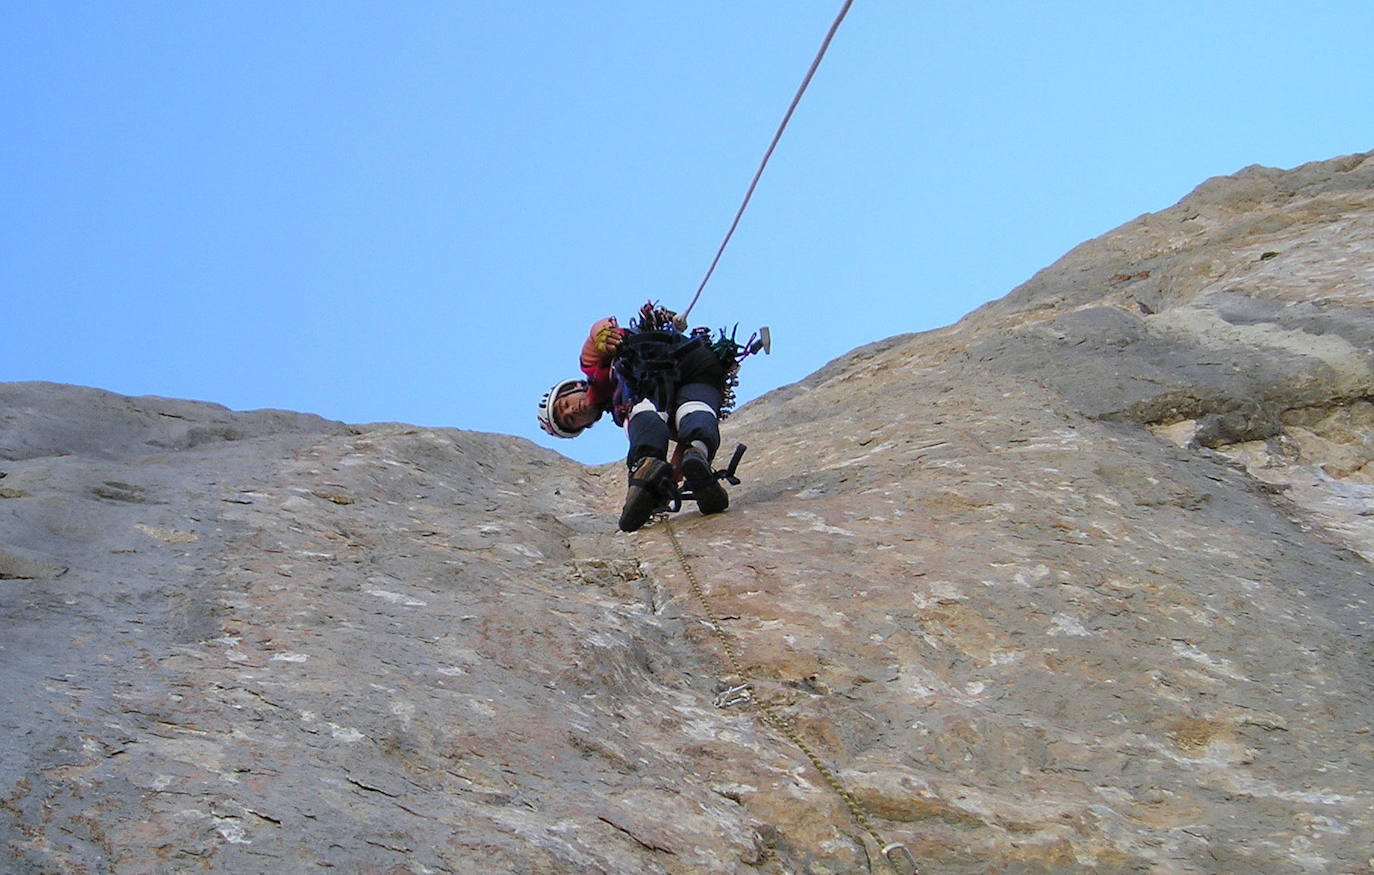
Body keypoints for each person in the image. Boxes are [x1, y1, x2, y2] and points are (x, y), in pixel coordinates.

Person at [538, 302, 734, 533]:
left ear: (572, 388)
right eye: (569, 420)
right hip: (699, 369)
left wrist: (603, 334)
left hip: (654, 367)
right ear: (586, 425)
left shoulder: (594, 369)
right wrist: (674, 475)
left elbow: (596, 335)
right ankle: (699, 458)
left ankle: (645, 466)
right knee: (696, 412)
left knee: (641, 411)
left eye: (565, 405)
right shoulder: (618, 407)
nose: (571, 411)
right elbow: (681, 449)